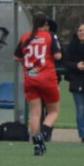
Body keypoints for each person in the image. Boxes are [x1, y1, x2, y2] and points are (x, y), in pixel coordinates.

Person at [14, 13, 62, 156]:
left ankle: (37, 145)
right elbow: (58, 56)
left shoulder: (25, 37)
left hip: (30, 78)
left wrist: (30, 64)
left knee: (35, 114)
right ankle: (44, 134)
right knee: (53, 111)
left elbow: (16, 57)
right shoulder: (50, 36)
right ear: (46, 25)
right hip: (47, 77)